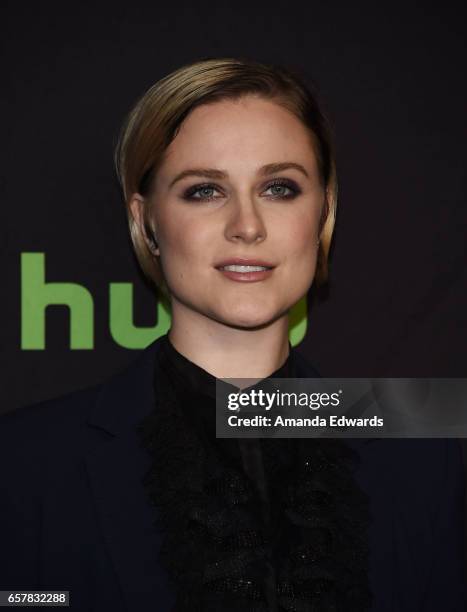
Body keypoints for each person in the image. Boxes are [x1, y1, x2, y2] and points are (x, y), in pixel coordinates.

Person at [0, 57, 465, 611]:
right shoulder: (25, 465)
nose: (247, 225)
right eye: (204, 191)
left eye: (279, 188)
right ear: (146, 221)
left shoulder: (419, 454)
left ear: (325, 211)